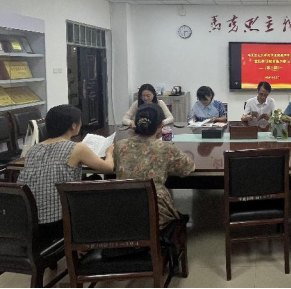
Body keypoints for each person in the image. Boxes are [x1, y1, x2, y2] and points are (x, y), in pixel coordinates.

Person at [17, 105, 115, 241]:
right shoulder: (77, 148)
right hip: (58, 223)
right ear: (74, 125)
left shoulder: (34, 149)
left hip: (27, 221)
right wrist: (109, 153)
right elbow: (108, 168)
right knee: (97, 183)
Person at [114, 103, 195, 229]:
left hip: (122, 210)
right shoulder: (166, 148)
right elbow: (187, 168)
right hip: (157, 213)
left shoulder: (120, 146)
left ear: (135, 123)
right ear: (161, 125)